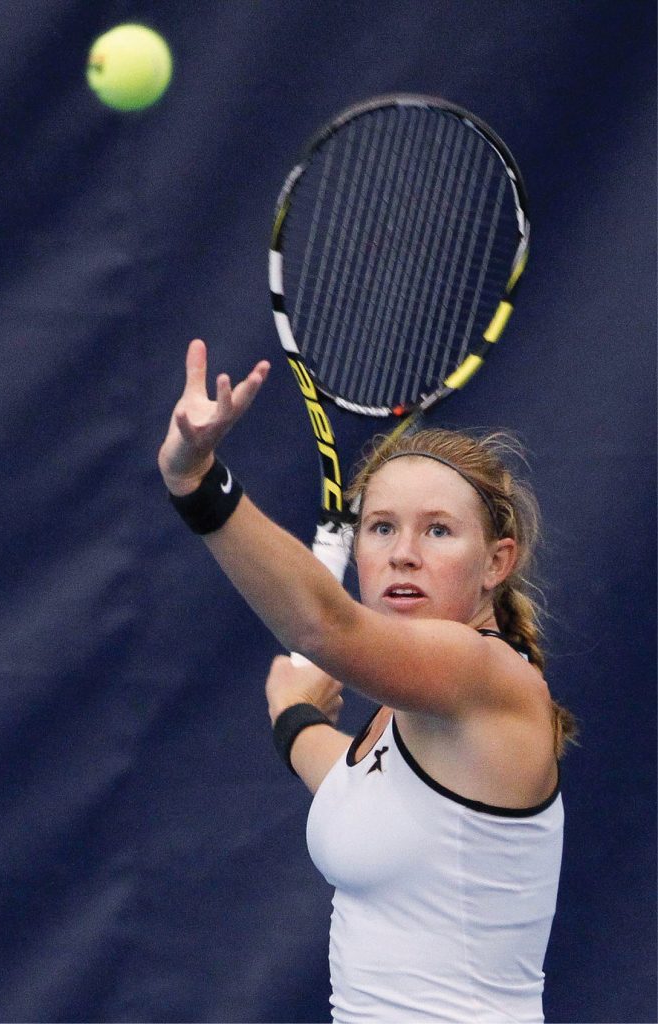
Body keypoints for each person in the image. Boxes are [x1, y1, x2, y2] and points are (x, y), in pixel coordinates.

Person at [158, 338, 576, 1024]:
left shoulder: (484, 672)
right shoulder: (402, 720)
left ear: (496, 561)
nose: (403, 554)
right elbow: (352, 787)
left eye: (437, 531)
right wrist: (295, 717)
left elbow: (325, 628)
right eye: (381, 528)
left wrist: (196, 480)